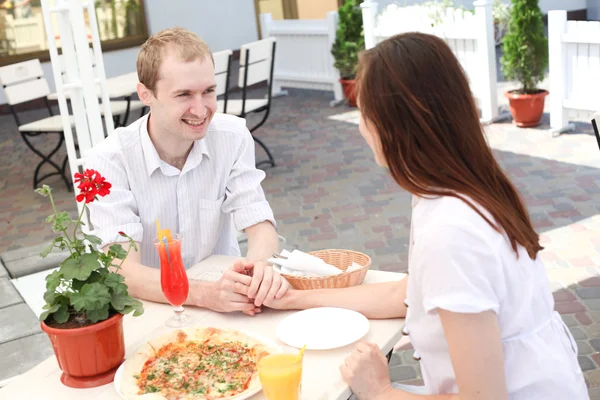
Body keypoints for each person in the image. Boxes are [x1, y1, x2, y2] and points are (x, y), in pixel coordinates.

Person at [245, 32, 588, 399]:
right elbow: (406, 295)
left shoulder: (451, 232)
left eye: (363, 112)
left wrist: (380, 391)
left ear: (392, 125)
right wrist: (293, 299)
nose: (360, 127)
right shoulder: (453, 188)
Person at [86, 27, 287, 316]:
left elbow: (259, 222)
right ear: (146, 94)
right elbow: (122, 270)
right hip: (151, 306)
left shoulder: (233, 136)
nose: (201, 109)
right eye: (184, 95)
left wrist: (262, 268)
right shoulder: (109, 160)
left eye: (208, 91)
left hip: (225, 298)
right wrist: (204, 294)